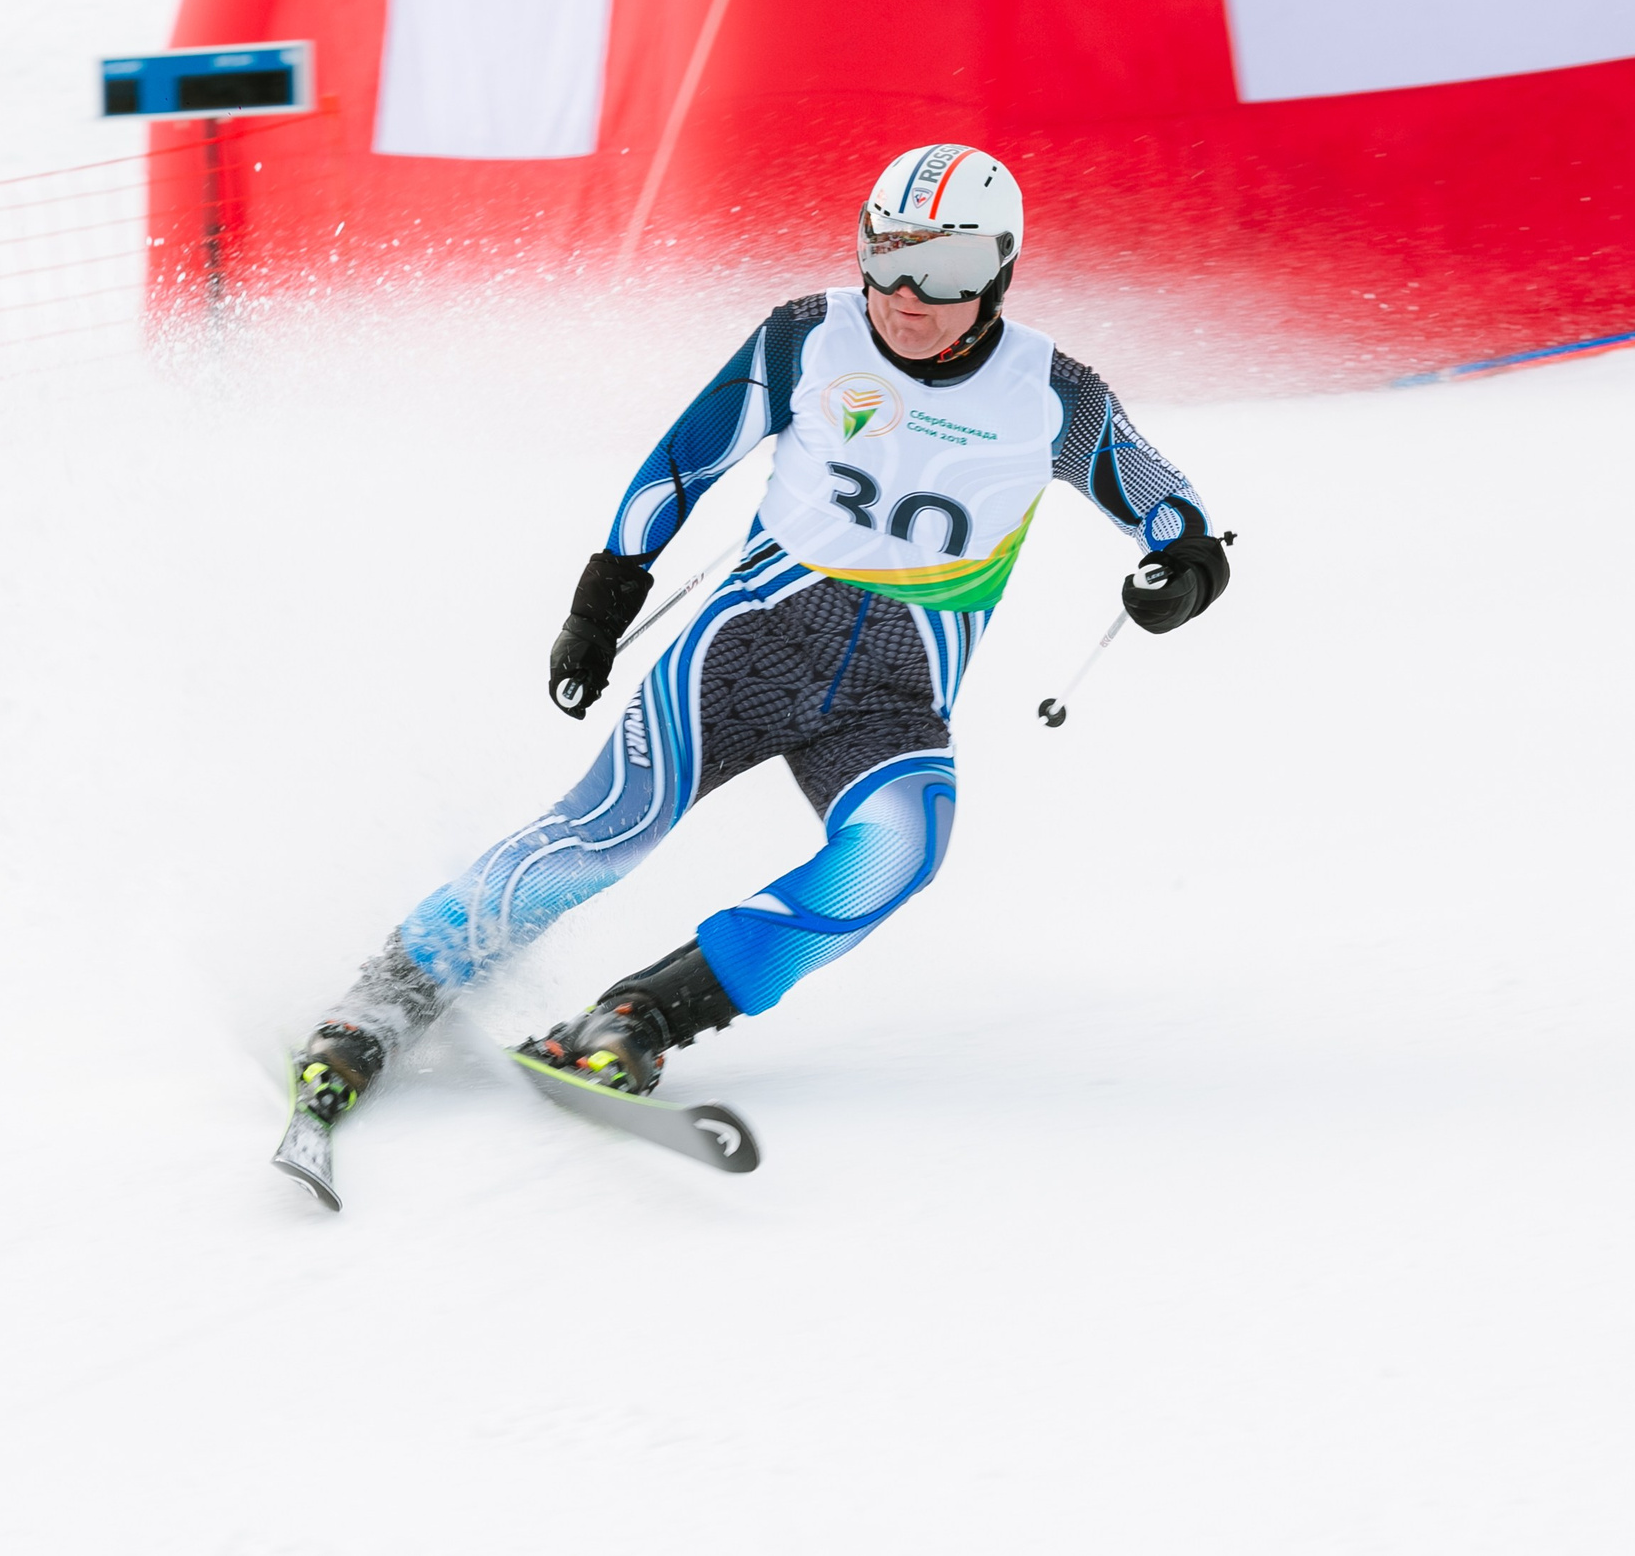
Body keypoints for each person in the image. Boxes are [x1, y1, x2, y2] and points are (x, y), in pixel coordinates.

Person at [292, 143, 1227, 1123]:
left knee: (900, 851)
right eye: (885, 255)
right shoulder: (808, 338)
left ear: (999, 271)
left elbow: (1170, 511)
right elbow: (678, 466)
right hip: (746, 654)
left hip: (890, 700)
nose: (905, 294)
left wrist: (1181, 575)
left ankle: (637, 1019)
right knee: (605, 834)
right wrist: (598, 609)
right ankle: (383, 999)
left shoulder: (1052, 397)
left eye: (943, 272)